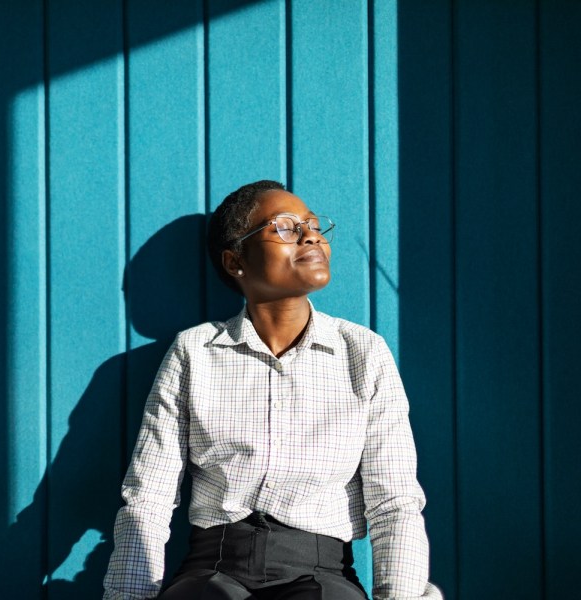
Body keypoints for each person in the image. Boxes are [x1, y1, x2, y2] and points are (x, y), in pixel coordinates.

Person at [103, 181, 442, 600]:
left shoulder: (363, 352)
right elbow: (148, 499)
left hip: (321, 576)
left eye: (313, 225)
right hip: (212, 570)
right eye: (284, 227)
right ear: (235, 261)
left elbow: (394, 503)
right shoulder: (194, 352)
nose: (310, 236)